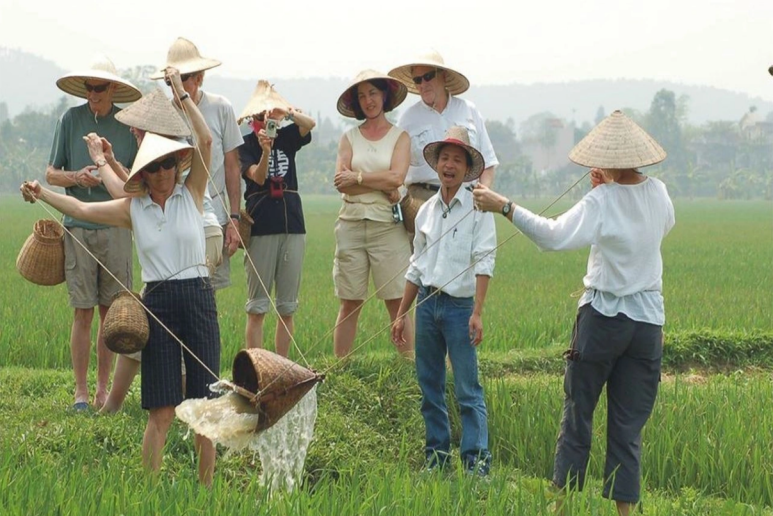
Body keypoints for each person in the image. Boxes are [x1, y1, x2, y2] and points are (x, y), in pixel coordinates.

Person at [22, 68, 219, 486]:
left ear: (176, 166)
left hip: (199, 298)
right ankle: (149, 492)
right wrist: (42, 192)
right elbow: (83, 210)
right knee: (161, 410)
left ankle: (208, 493)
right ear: (143, 173)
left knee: (205, 407)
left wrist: (181, 94)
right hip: (160, 303)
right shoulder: (134, 209)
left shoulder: (191, 194)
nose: (164, 173)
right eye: (155, 167)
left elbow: (205, 142)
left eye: (168, 164)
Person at [473, 110, 675, 515]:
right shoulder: (661, 194)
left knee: (578, 413)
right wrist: (612, 190)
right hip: (648, 325)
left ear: (606, 159)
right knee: (627, 428)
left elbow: (553, 236)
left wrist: (504, 206)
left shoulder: (601, 199)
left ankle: (560, 507)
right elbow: (651, 230)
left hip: (602, 321)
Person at [98, 88, 217, 413]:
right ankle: (154, 405)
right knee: (150, 328)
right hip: (165, 249)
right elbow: (135, 194)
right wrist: (108, 161)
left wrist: (102, 163)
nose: (134, 131)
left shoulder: (167, 151)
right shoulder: (150, 159)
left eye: (138, 126)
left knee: (176, 332)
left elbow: (128, 192)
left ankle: (179, 404)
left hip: (189, 239)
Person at [392, 126, 496, 477]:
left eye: (457, 159)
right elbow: (416, 266)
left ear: (466, 168)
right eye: (445, 158)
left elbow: (485, 260)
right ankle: (436, 460)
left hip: (460, 309)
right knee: (430, 386)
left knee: (468, 388)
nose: (449, 165)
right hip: (427, 304)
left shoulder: (479, 208)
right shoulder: (427, 211)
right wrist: (401, 313)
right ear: (436, 164)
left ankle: (476, 467)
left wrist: (478, 312)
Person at [45, 55, 141, 410]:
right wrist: (77, 177)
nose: (93, 94)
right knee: (82, 311)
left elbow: (137, 176)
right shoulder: (70, 120)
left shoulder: (127, 124)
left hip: (116, 225)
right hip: (78, 227)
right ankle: (81, 392)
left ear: (113, 89)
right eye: (89, 88)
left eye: (99, 88)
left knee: (110, 312)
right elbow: (52, 173)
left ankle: (104, 390)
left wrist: (109, 168)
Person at [332, 70, 413, 358]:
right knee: (350, 301)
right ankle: (340, 370)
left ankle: (409, 367)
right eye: (363, 96)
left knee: (396, 301)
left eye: (373, 93)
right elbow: (341, 183)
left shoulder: (400, 137)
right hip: (350, 224)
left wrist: (359, 178)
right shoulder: (349, 137)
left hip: (387, 227)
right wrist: (374, 182)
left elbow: (396, 179)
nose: (369, 100)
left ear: (384, 96)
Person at [151, 37, 243, 290]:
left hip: (215, 214)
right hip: (176, 216)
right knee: (177, 287)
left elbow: (233, 166)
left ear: (199, 77)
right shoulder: (162, 115)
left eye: (185, 78)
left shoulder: (221, 107)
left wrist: (234, 218)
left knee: (208, 291)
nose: (178, 86)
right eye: (172, 81)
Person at [237, 81, 316, 356]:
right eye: (259, 116)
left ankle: (282, 367)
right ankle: (256, 368)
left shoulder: (288, 137)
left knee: (287, 307)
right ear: (251, 119)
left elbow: (310, 125)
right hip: (261, 226)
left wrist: (288, 113)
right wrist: (266, 150)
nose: (264, 120)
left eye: (268, 115)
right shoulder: (245, 145)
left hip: (293, 224)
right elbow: (258, 177)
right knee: (257, 306)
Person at [388, 50, 498, 207]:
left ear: (443, 76)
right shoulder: (408, 119)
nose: (423, 84)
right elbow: (395, 168)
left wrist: (482, 194)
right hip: (421, 202)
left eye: (428, 77)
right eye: (418, 80)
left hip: (466, 199)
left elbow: (488, 163)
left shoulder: (468, 111)